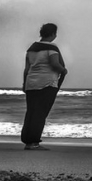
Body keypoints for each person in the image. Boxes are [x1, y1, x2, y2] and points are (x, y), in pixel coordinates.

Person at [21, 23, 68, 151]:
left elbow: (26, 69)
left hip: (31, 83)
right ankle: (34, 143)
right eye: (55, 33)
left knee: (31, 112)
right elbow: (54, 64)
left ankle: (27, 141)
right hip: (46, 83)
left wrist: (24, 84)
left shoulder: (31, 49)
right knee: (40, 113)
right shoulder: (51, 47)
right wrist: (63, 70)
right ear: (52, 34)